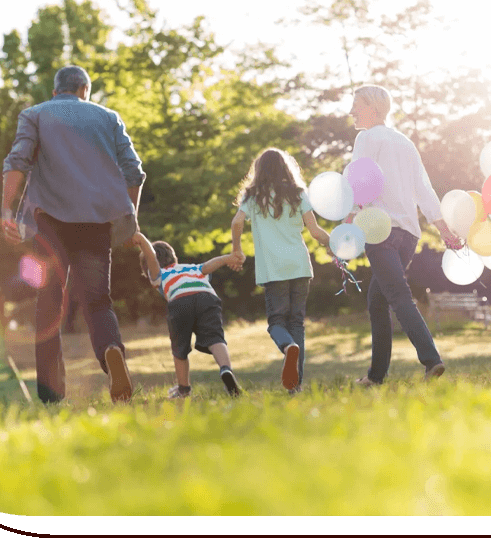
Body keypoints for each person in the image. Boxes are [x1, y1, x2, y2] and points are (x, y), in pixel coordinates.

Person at [1, 65, 146, 404]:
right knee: (97, 302)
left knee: (49, 300)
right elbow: (134, 172)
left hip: (48, 222)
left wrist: (7, 212)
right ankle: (111, 352)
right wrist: (129, 218)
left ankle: (52, 392)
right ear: (84, 89)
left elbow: (18, 160)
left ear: (56, 91)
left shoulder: (34, 114)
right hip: (96, 222)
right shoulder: (109, 117)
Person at [346, 85, 463, 386]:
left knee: (398, 295)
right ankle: (375, 376)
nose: (351, 111)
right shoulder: (404, 142)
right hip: (409, 233)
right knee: (377, 302)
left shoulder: (366, 137)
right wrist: (444, 230)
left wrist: (348, 221)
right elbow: (424, 188)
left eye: (356, 105)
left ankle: (431, 360)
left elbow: (359, 179)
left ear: (372, 108)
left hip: (379, 229)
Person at [231, 148, 331, 393]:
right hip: (299, 266)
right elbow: (315, 232)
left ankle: (288, 348)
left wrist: (237, 250)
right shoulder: (298, 194)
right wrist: (334, 245)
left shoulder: (253, 196)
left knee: (277, 321)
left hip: (273, 270)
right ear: (286, 168)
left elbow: (236, 222)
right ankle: (295, 386)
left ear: (259, 170)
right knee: (297, 323)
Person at [133, 232, 243, 399]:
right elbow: (209, 265)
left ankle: (184, 389)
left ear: (147, 268)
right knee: (215, 338)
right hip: (207, 298)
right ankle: (226, 369)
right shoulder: (191, 268)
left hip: (180, 301)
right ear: (174, 258)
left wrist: (141, 239)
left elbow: (151, 256)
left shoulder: (158, 275)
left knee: (180, 348)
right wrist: (228, 258)